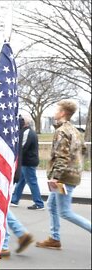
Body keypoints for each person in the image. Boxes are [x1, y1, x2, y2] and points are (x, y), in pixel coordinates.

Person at [36, 99, 91, 250]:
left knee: (65, 212)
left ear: (62, 113)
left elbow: (62, 156)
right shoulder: (74, 130)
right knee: (52, 205)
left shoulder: (62, 131)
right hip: (71, 174)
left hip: (64, 177)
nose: (54, 112)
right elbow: (84, 151)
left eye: (56, 109)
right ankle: (54, 238)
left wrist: (56, 176)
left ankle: (55, 237)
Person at [0, 115, 34, 258]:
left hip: (6, 172)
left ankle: (4, 245)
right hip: (12, 170)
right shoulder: (16, 129)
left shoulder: (11, 128)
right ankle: (21, 233)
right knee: (3, 207)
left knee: (1, 208)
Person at [11, 113, 44, 210]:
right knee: (21, 181)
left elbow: (22, 147)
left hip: (28, 161)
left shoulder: (26, 132)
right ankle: (14, 199)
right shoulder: (29, 131)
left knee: (32, 182)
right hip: (28, 160)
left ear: (24, 123)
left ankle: (39, 203)